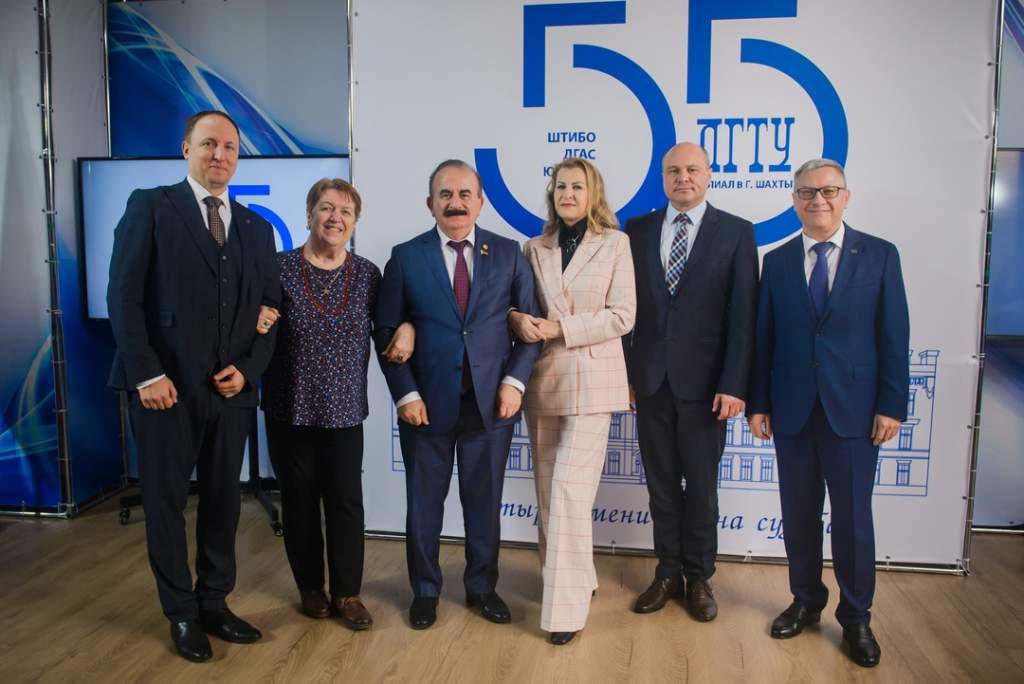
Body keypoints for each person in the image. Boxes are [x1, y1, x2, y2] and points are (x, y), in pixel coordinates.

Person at [107, 110, 277, 662]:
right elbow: (123, 298)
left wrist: (248, 370)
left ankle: (214, 602)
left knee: (225, 501)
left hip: (231, 394)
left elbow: (271, 310)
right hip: (165, 391)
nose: (219, 155)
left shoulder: (256, 229)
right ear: (186, 149)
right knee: (165, 504)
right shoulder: (151, 207)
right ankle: (180, 612)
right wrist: (147, 374)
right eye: (208, 144)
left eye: (229, 147)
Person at [747, 158, 909, 668]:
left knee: (853, 519)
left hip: (855, 413)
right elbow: (764, 339)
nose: (818, 200)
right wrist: (758, 403)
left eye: (828, 191)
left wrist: (891, 405)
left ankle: (856, 617)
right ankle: (805, 600)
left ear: (846, 196)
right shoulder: (776, 261)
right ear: (794, 200)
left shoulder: (879, 255)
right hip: (792, 411)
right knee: (798, 515)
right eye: (807, 192)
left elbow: (894, 335)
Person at [374, 159, 541, 630]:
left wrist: (514, 383)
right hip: (425, 407)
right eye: (445, 194)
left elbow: (531, 329)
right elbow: (385, 330)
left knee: (484, 505)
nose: (456, 203)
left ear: (480, 202)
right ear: (430, 203)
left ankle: (482, 587)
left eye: (465, 194)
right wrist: (406, 395)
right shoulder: (406, 257)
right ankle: (425, 591)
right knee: (424, 506)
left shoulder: (508, 253)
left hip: (491, 406)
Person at [257, 179, 411, 631]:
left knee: (346, 503)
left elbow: (387, 327)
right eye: (326, 208)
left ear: (355, 222)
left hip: (344, 411)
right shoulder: (278, 268)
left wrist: (408, 329)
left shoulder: (367, 274)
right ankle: (310, 588)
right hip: (289, 406)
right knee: (299, 502)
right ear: (309, 214)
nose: (335, 218)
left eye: (345, 211)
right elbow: (254, 324)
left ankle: (347, 593)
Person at [623, 142, 759, 622]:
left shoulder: (736, 232)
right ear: (662, 177)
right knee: (660, 485)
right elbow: (624, 310)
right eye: (674, 170)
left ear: (709, 174)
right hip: (651, 382)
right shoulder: (636, 230)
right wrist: (627, 375)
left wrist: (735, 383)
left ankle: (699, 577)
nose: (683, 178)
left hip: (708, 388)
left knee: (700, 487)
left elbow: (744, 317)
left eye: (693, 169)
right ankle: (666, 573)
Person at [509, 158, 635, 645]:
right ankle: (578, 577)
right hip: (544, 379)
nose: (567, 193)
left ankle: (565, 610)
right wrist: (517, 319)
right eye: (560, 186)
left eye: (577, 186)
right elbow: (519, 305)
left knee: (567, 489)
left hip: (594, 379)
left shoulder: (616, 243)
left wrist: (560, 327)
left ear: (592, 193)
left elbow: (622, 315)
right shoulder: (533, 247)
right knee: (550, 493)